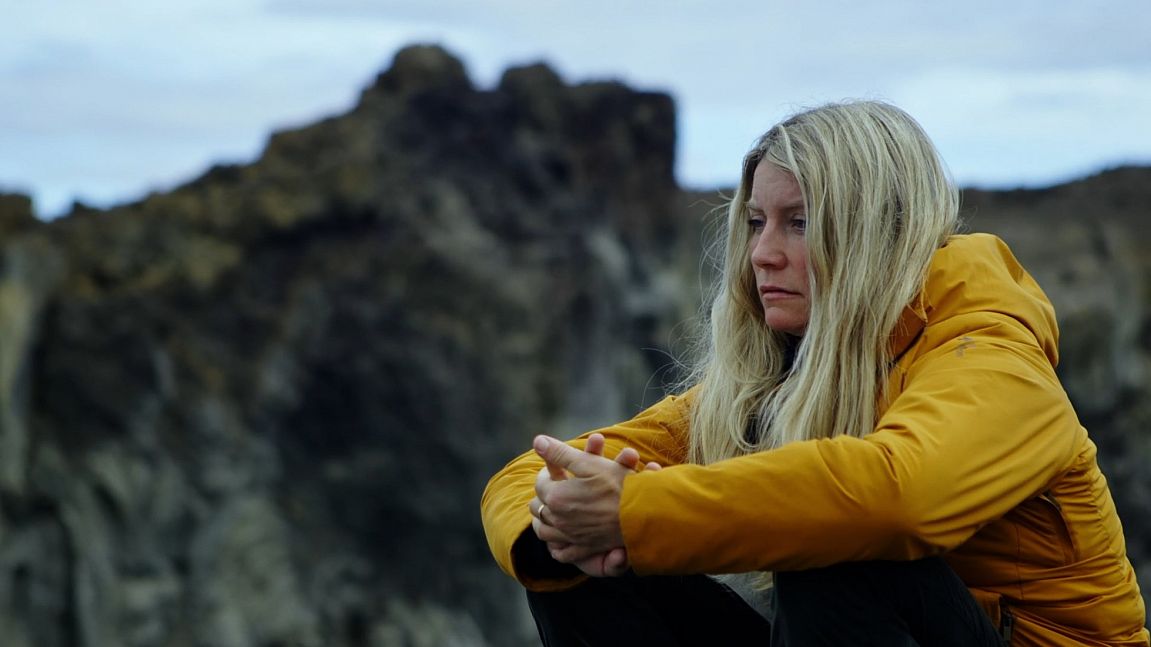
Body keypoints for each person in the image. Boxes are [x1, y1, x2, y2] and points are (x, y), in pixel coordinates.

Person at [480, 101, 1150, 645]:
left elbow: (897, 496)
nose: (761, 254)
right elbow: (525, 475)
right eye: (755, 222)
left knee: (838, 543)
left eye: (798, 223)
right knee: (572, 568)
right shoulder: (793, 368)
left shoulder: (994, 354)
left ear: (877, 232)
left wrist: (634, 512)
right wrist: (563, 519)